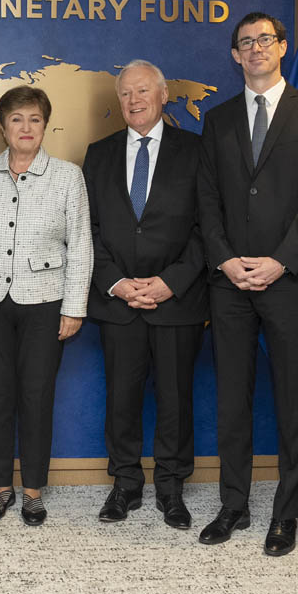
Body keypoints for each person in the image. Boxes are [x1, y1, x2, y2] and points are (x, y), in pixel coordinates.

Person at [196, 12, 298, 556]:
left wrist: (280, 261)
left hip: (290, 280)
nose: (255, 49)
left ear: (282, 48)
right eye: (245, 43)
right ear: (235, 55)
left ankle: (285, 513)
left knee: (292, 400)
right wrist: (226, 261)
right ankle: (233, 505)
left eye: (265, 41)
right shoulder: (218, 118)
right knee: (232, 399)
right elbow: (207, 200)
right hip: (229, 283)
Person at [0, 86, 92, 525]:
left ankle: (32, 490)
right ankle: (1, 488)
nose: (25, 127)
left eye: (33, 119)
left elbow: (81, 245)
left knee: (36, 395)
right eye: (16, 119)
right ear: (2, 126)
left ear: (45, 124)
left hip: (45, 301)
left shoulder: (68, 176)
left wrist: (74, 307)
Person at [82, 60, 208, 529]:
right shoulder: (98, 154)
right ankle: (126, 485)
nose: (134, 101)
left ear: (162, 97)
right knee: (121, 398)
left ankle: (172, 489)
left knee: (176, 400)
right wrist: (116, 282)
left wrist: (171, 281)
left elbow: (207, 229)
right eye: (126, 94)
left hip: (177, 300)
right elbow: (87, 229)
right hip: (118, 301)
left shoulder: (197, 151)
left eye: (143, 92)